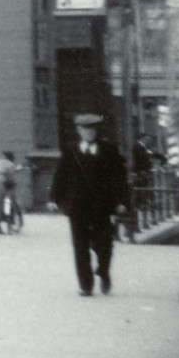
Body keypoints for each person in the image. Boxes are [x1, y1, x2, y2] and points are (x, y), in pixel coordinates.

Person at [51, 113, 129, 296]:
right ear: (79, 130)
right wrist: (54, 198)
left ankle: (103, 271)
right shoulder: (70, 150)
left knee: (104, 245)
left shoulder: (109, 149)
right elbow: (60, 175)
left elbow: (119, 177)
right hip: (77, 207)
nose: (89, 133)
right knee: (80, 247)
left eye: (92, 129)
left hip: (102, 206)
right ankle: (86, 285)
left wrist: (123, 201)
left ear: (97, 130)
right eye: (85, 130)